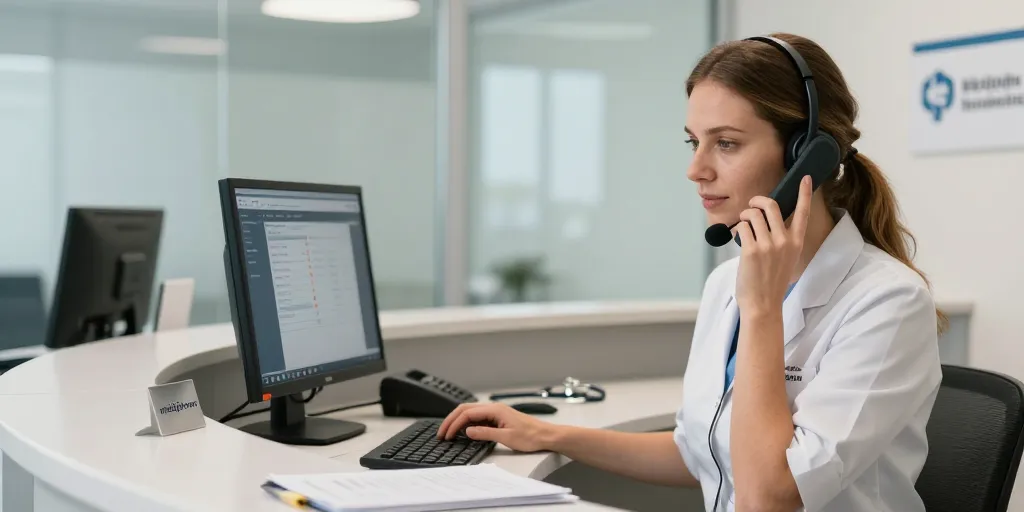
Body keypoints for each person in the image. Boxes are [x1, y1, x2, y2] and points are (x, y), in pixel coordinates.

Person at [437, 32, 945, 512]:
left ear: (806, 156)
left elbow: (768, 497)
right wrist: (549, 435)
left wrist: (762, 310)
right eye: (693, 142)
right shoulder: (726, 283)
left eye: (726, 143)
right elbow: (700, 452)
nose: (696, 169)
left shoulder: (887, 303)